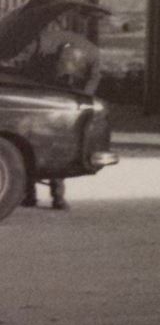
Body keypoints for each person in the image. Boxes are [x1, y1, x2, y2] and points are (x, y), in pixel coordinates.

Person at [20, 28, 101, 210]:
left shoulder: (49, 50)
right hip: (61, 106)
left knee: (33, 147)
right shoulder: (90, 50)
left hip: (48, 105)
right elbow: (93, 79)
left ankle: (32, 194)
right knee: (53, 148)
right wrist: (84, 99)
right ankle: (56, 197)